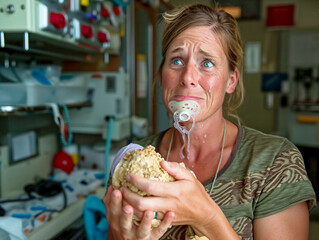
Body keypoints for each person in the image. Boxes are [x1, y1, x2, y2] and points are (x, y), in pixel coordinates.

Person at [103, 3, 316, 240]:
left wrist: (206, 218)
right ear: (161, 73)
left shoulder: (275, 163)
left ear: (231, 81)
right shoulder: (131, 163)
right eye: (176, 60)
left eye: (207, 63)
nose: (188, 77)